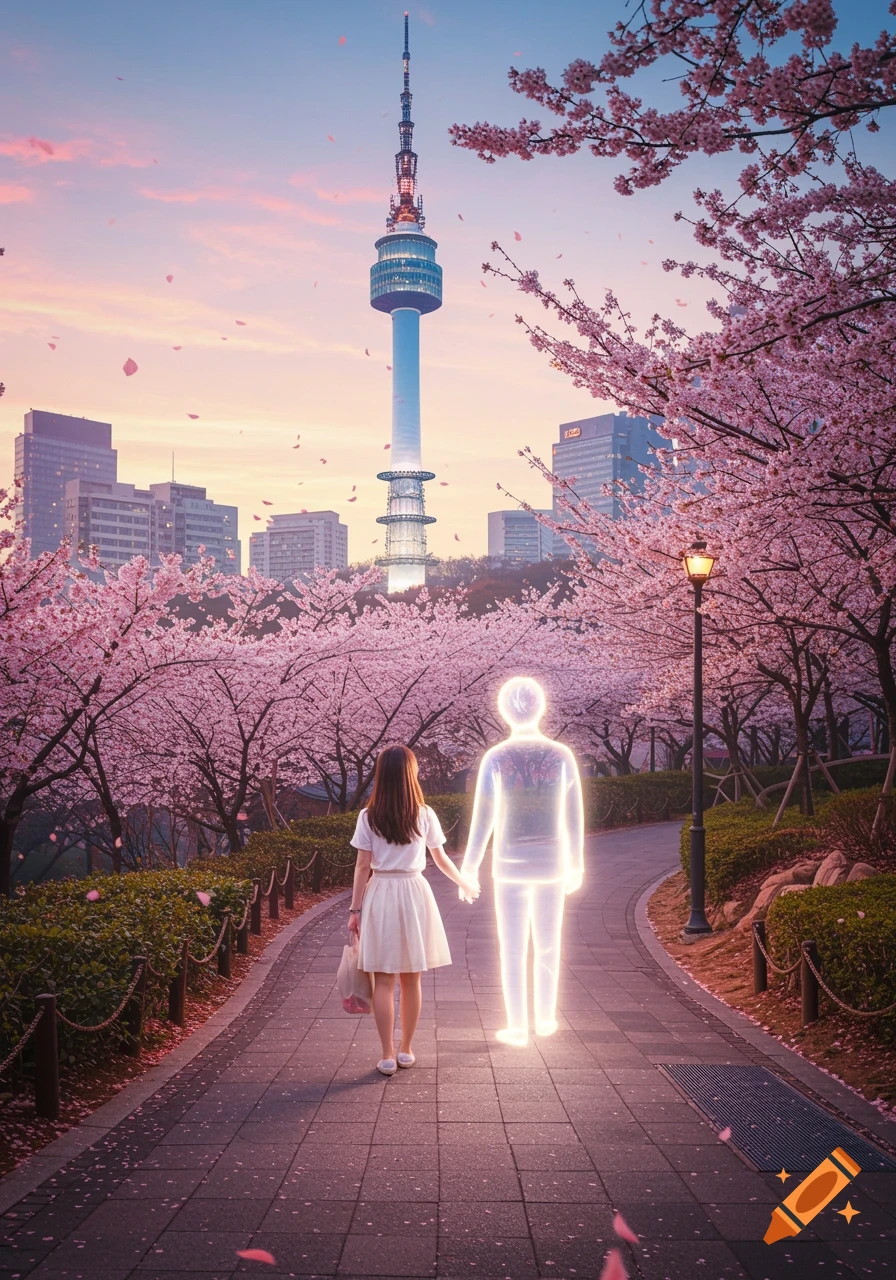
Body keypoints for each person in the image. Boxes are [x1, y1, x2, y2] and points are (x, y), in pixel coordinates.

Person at [460, 676, 584, 1046]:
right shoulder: (561, 755)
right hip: (551, 863)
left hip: (509, 865)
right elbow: (573, 814)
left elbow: (484, 817)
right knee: (549, 942)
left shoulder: (496, 757)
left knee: (512, 947)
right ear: (541, 707)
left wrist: (469, 867)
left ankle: (517, 1026)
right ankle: (545, 1019)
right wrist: (576, 862)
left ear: (503, 711)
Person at [348, 745, 479, 1076]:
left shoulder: (368, 817)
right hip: (414, 891)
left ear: (381, 774)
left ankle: (387, 1055)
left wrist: (354, 910)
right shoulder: (424, 814)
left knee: (383, 980)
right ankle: (406, 1049)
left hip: (380, 892)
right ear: (411, 773)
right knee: (412, 978)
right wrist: (464, 882)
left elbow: (362, 867)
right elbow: (441, 858)